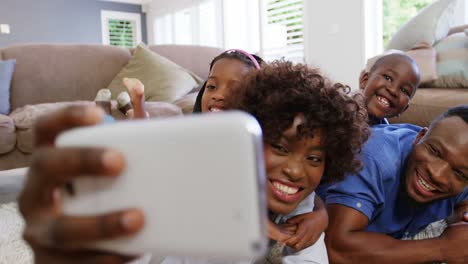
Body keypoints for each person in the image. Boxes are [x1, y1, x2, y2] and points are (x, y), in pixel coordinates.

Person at [18, 60, 369, 263]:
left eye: (314, 158)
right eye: (279, 146)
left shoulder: (302, 205)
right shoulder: (197, 199)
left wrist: (317, 217)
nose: (295, 169)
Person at [323, 105, 468, 264]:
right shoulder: (374, 158)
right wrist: (442, 248)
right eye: (434, 152)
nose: (437, 175)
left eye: (458, 173)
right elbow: (335, 249)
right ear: (420, 137)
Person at [358, 52, 421, 125]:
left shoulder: (389, 131)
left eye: (404, 90)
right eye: (388, 78)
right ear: (365, 80)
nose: (393, 90)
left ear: (404, 109)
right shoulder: (344, 111)